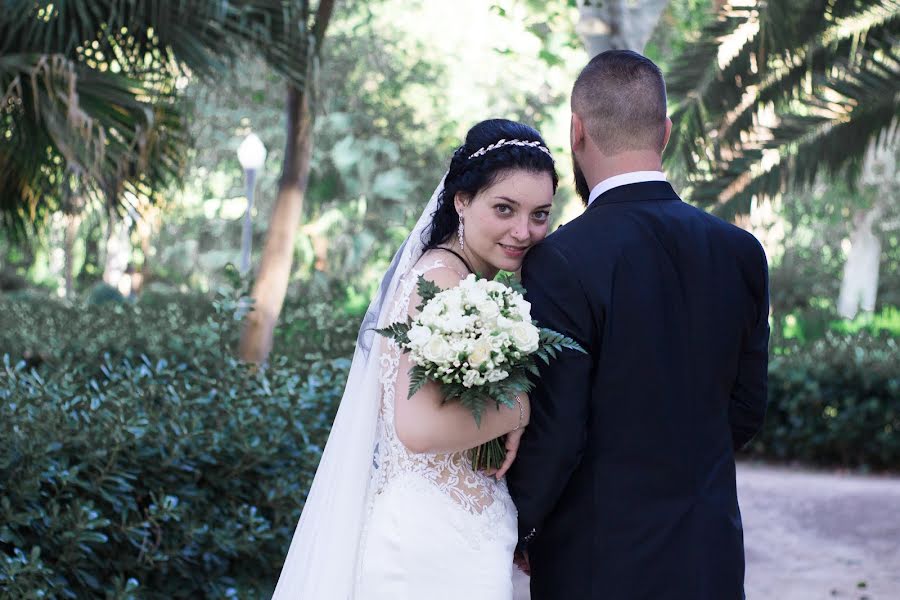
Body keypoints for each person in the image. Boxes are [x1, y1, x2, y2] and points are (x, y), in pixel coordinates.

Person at [506, 49, 770, 600]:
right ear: (666, 132)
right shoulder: (741, 251)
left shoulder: (560, 259)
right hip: (711, 554)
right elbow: (746, 409)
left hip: (597, 560)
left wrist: (519, 527)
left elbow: (559, 428)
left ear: (576, 131)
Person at [272, 118, 558, 599]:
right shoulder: (441, 281)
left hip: (462, 531)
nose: (523, 231)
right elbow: (419, 428)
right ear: (461, 201)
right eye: (504, 209)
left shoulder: (469, 283)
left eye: (540, 214)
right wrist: (521, 407)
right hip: (431, 542)